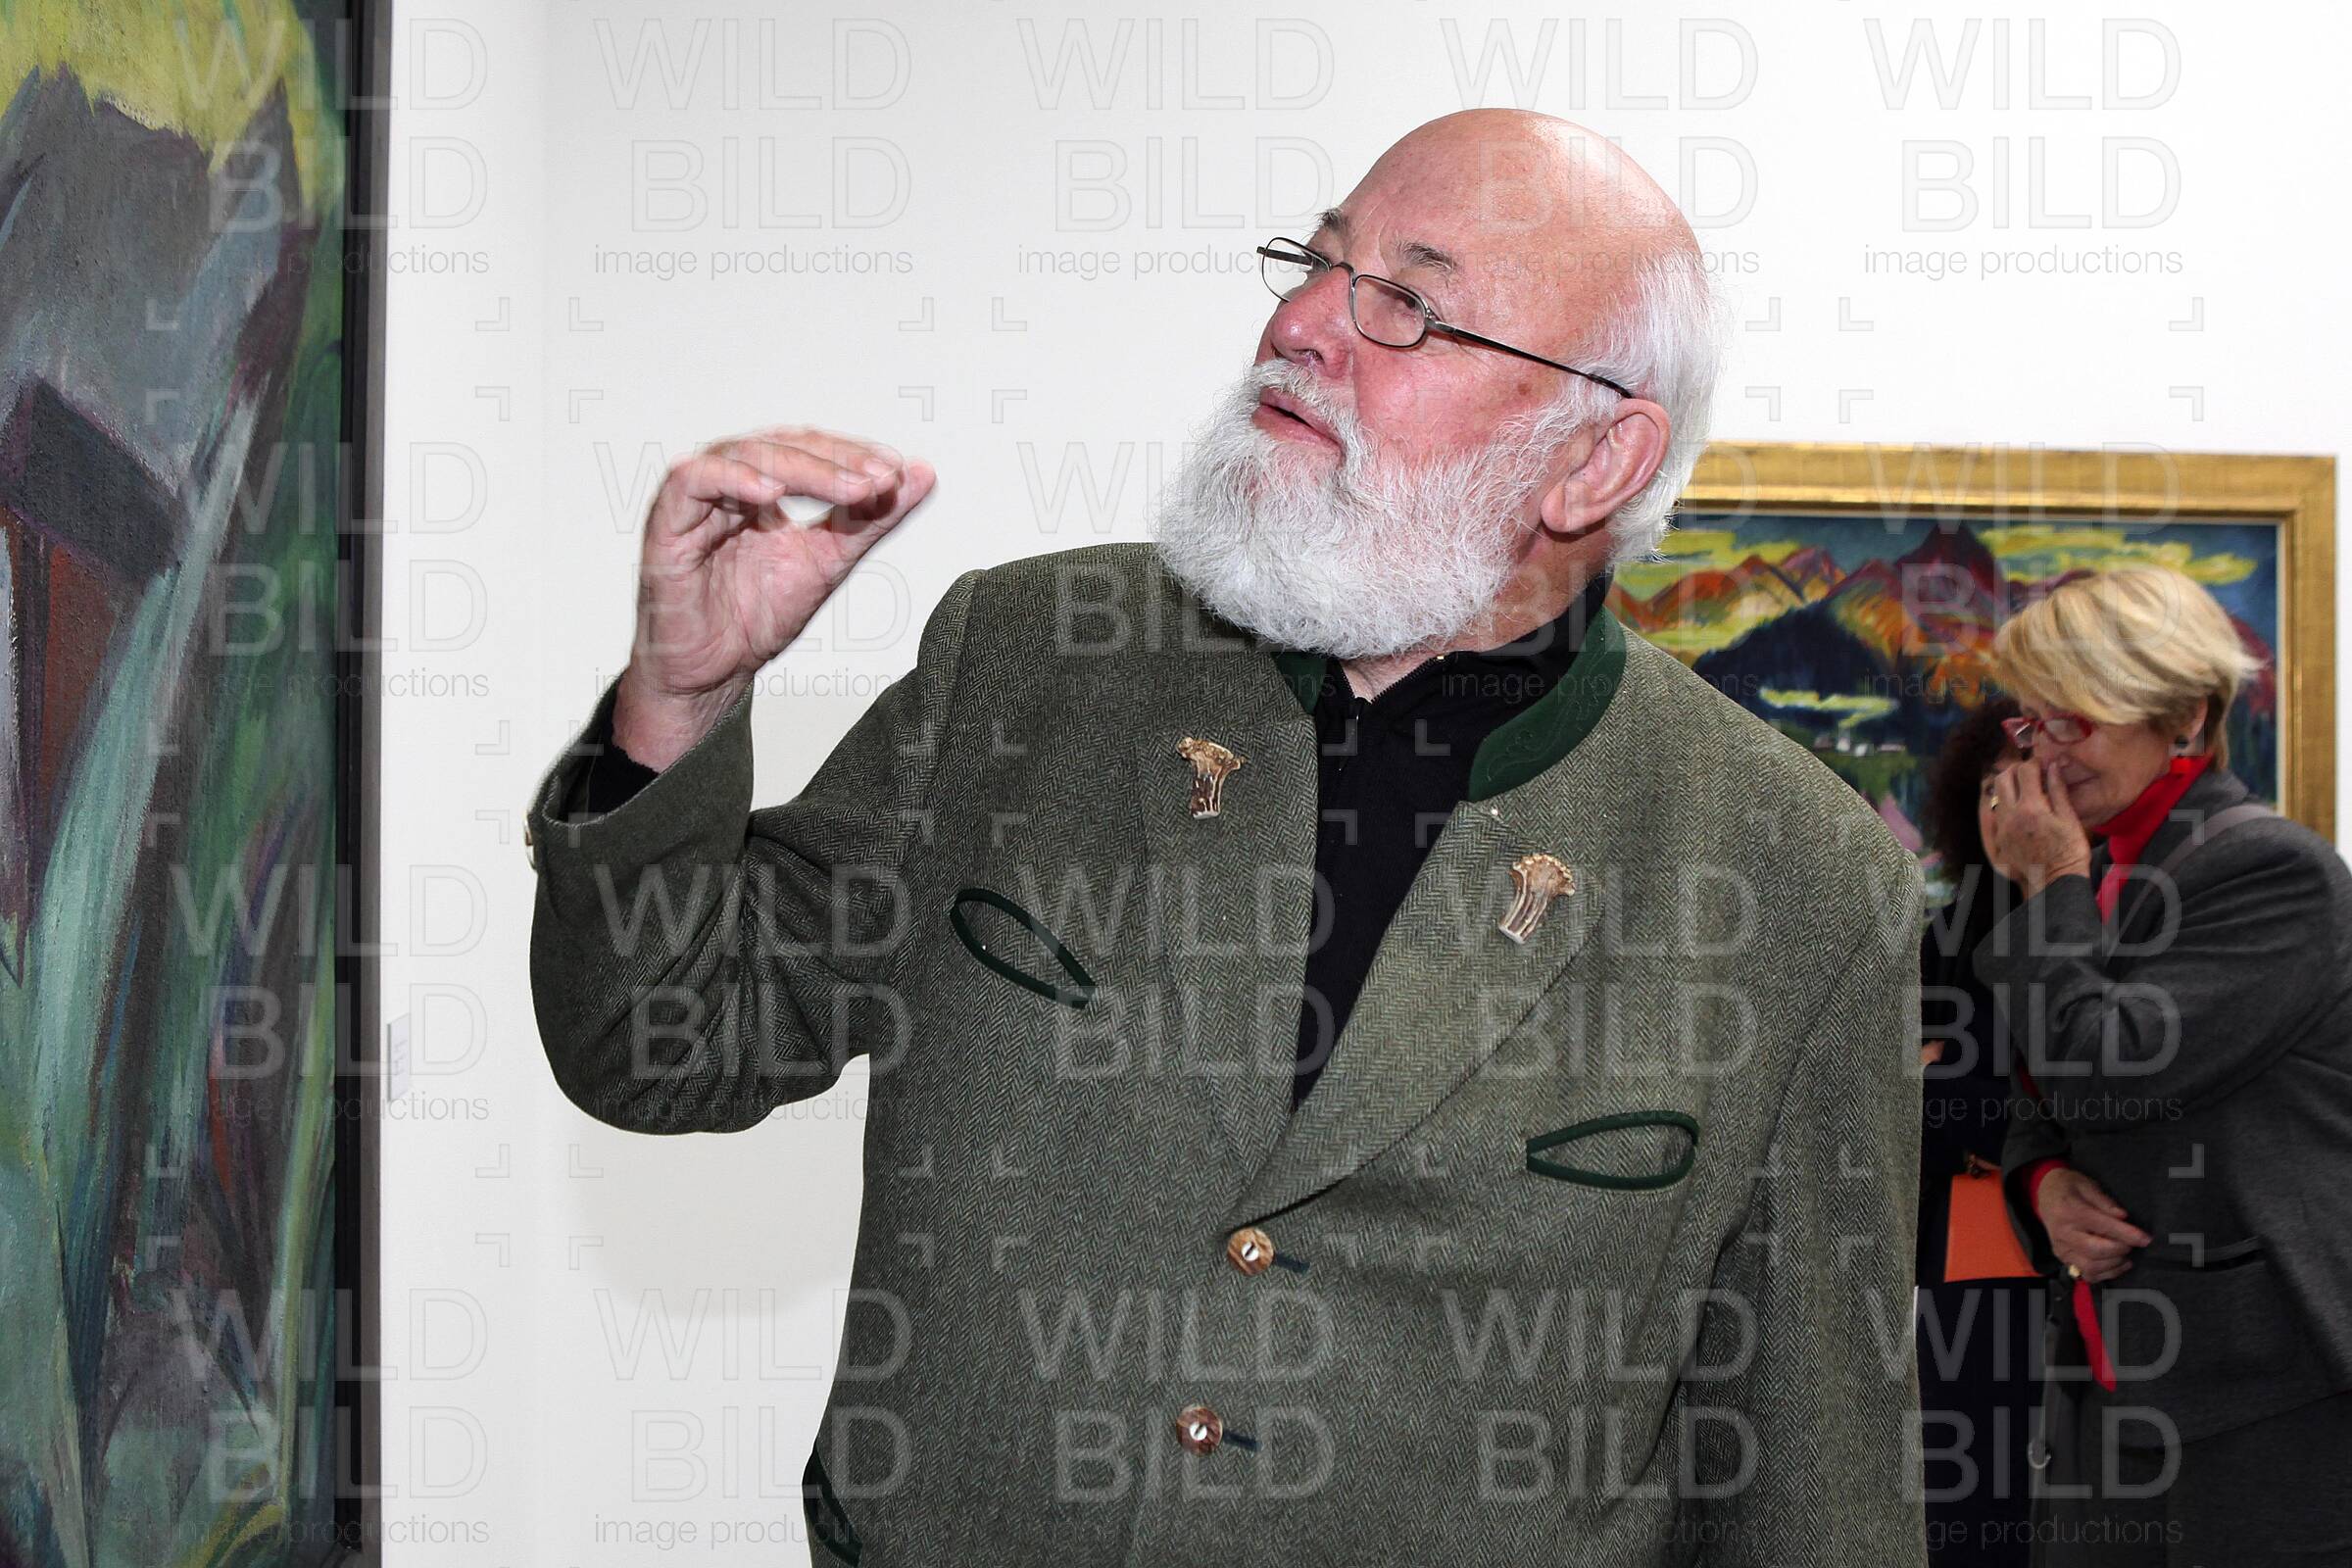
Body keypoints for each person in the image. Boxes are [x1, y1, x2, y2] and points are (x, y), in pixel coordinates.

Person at [526, 110, 1929, 1565]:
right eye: (1318, 262)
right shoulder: (1034, 660)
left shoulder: (1801, 886)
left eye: (1410, 304)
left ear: (1595, 459)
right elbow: (657, 1045)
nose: (1302, 325)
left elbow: (1818, 1497)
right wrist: (679, 702)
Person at [1975, 564, 2352, 1563]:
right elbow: (2044, 1099)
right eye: (2033, 723)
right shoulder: (2106, 868)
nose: (2047, 753)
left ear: (2183, 717)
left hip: (2268, 1398)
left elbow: (2111, 1072)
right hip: (2112, 1390)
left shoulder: (2270, 870)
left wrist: (2051, 881)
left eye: (2077, 720)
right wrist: (2042, 1186)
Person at [1915, 698, 2041, 1566]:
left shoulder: (2111, 918)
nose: (2009, 810)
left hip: (2082, 1267)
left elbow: (2092, 1102)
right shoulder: (1950, 930)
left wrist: (1948, 1078)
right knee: (1967, 1505)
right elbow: (1899, 1106)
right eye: (1993, 789)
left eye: (2027, 787)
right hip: (1965, 1267)